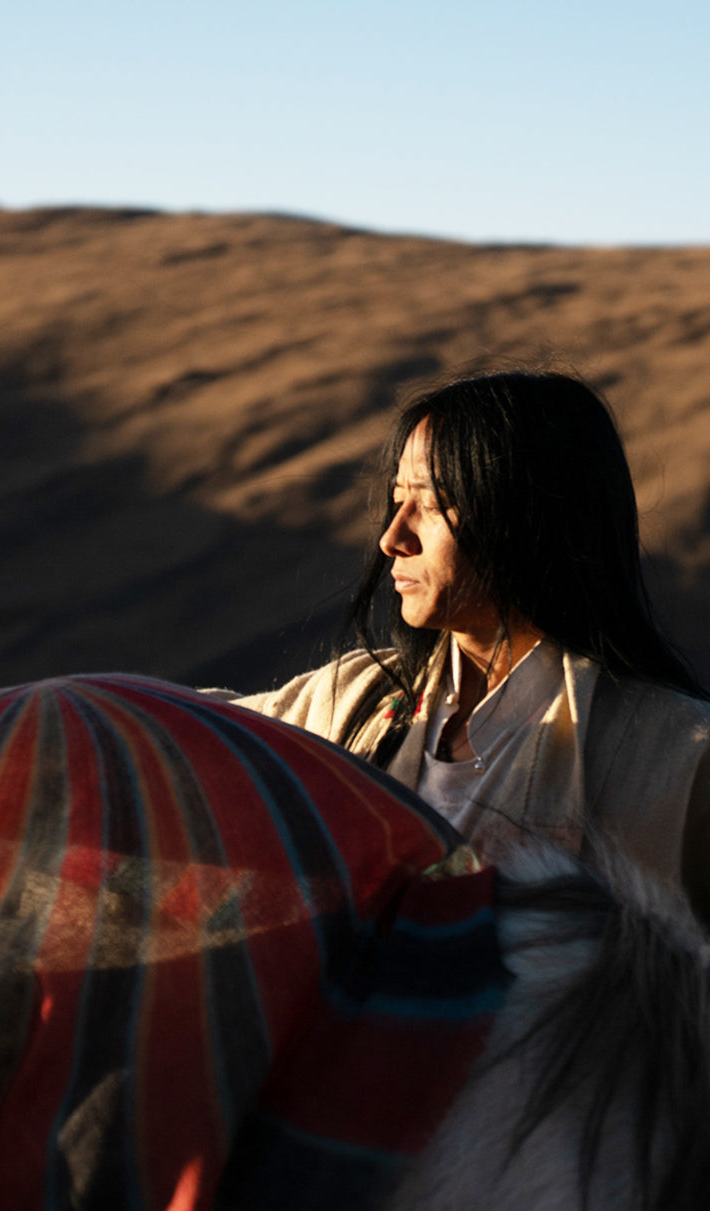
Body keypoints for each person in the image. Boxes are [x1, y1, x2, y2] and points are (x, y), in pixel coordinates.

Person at [217, 369, 710, 921]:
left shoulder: (680, 762)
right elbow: (192, 737)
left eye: (431, 505)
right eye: (396, 500)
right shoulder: (354, 702)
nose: (391, 538)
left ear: (528, 519)